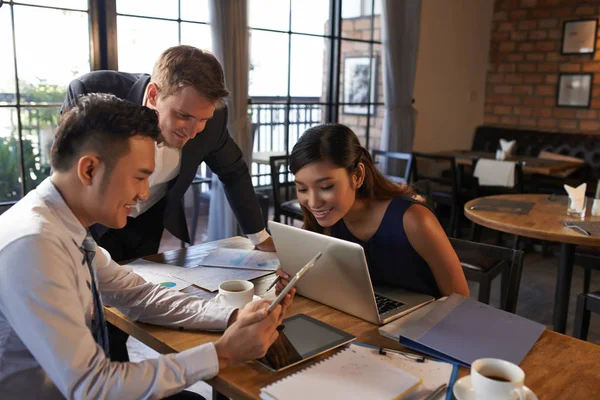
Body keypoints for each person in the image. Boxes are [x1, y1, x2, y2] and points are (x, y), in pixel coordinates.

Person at [0, 94, 292, 399]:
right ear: (89, 170)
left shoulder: (65, 229)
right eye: (139, 178)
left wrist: (231, 316)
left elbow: (138, 295)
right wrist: (222, 354)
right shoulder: (35, 246)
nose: (143, 195)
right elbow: (93, 387)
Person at [62, 44, 276, 361]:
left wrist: (259, 239)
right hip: (85, 226)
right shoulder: (94, 97)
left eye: (202, 120)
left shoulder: (210, 120)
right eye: (182, 116)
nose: (192, 131)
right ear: (152, 95)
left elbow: (233, 171)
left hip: (145, 225)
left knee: (123, 315)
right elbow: (70, 176)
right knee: (85, 325)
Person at [275, 123, 469, 299]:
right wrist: (294, 281)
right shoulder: (327, 219)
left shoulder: (413, 220)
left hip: (423, 327)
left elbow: (460, 300)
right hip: (365, 322)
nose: (313, 202)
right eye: (302, 189)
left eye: (326, 187)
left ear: (357, 176)